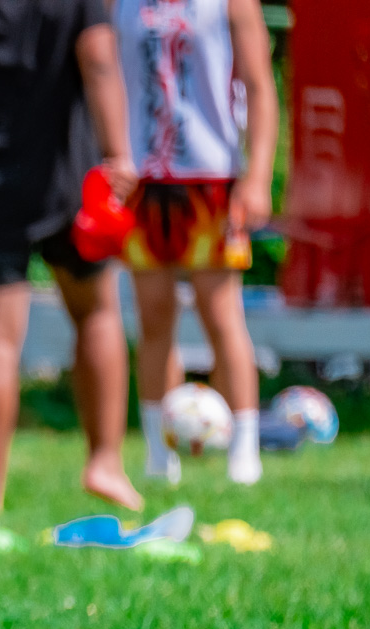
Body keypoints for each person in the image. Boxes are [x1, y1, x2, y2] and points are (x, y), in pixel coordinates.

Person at [0, 0, 142, 512]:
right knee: (98, 315)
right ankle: (104, 460)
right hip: (71, 186)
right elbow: (100, 61)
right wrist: (117, 154)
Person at [117, 0, 277, 486]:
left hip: (211, 174)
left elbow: (260, 85)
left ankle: (245, 451)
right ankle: (158, 453)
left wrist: (260, 175)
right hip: (141, 177)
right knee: (154, 314)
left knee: (220, 310)